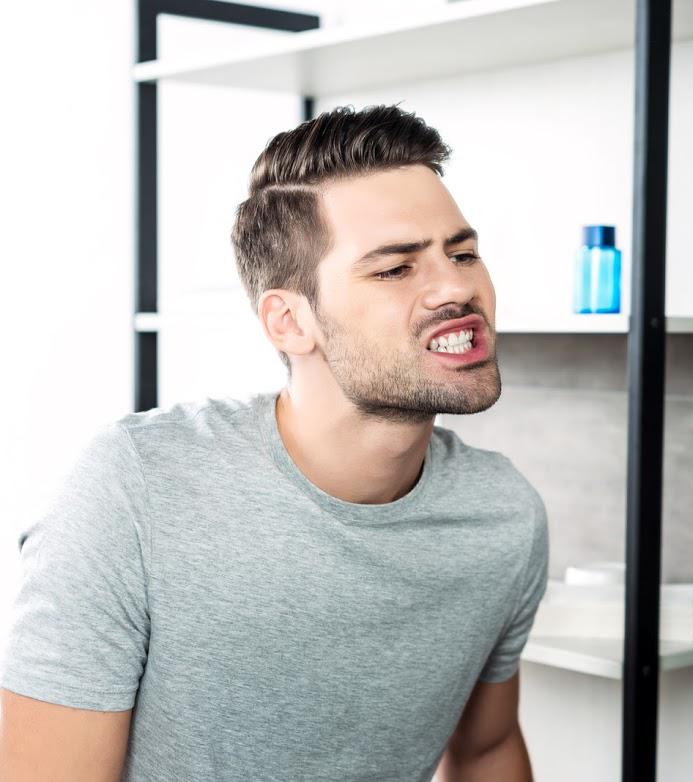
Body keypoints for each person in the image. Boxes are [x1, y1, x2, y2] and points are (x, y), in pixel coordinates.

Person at [0, 105, 547, 781]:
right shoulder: (134, 488)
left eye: (462, 253)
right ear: (289, 321)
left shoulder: (503, 517)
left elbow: (488, 749)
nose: (457, 286)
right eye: (395, 269)